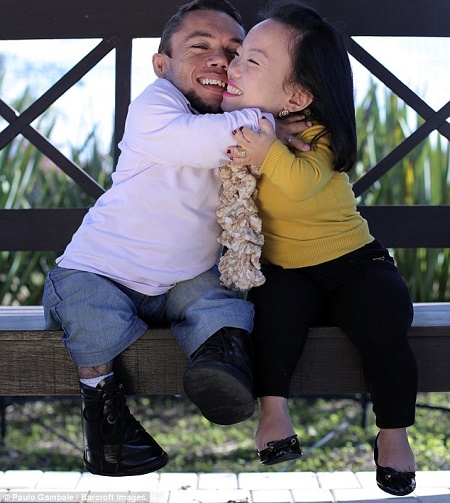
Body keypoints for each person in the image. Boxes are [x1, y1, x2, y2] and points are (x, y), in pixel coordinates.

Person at [43, 0, 308, 478]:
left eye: (235, 51)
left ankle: (221, 366)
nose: (220, 60)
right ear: (161, 65)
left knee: (217, 299)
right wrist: (269, 121)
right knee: (88, 310)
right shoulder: (156, 105)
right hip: (100, 272)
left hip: (181, 283)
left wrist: (278, 123)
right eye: (199, 47)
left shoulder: (237, 115)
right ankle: (106, 425)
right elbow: (206, 140)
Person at [221, 1, 418, 497]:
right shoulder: (240, 128)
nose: (232, 67)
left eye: (251, 61)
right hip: (289, 271)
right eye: (238, 55)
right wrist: (265, 137)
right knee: (271, 316)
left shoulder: (316, 138)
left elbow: (301, 184)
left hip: (353, 264)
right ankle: (273, 413)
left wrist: (269, 148)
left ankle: (394, 433)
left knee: (386, 319)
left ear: (298, 96)